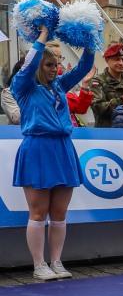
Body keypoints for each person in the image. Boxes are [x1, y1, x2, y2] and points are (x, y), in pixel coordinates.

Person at [11, 25, 95, 280]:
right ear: (38, 65)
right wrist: (43, 36)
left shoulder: (59, 85)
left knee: (59, 213)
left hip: (63, 148)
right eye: (49, 64)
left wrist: (89, 41)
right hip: (37, 148)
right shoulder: (23, 86)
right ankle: (39, 265)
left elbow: (82, 68)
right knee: (38, 212)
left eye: (56, 64)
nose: (55, 69)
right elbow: (28, 64)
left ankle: (56, 261)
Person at [90, 43, 123, 128]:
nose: (121, 63)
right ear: (107, 60)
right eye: (117, 59)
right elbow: (98, 107)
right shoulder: (98, 81)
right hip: (107, 130)